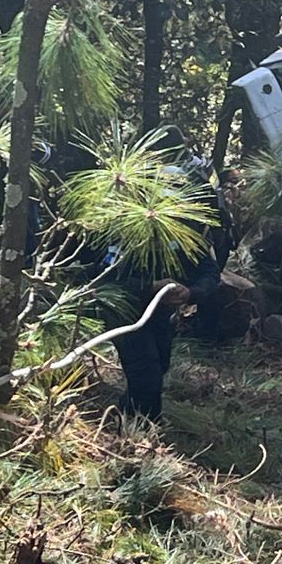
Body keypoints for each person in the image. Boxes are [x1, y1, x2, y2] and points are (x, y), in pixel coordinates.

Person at [99, 127, 225, 422]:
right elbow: (104, 282)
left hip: (157, 312)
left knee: (160, 363)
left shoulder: (184, 232)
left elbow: (208, 270)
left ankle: (126, 417)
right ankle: (141, 440)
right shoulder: (122, 230)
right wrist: (149, 287)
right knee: (147, 374)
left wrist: (191, 293)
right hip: (124, 308)